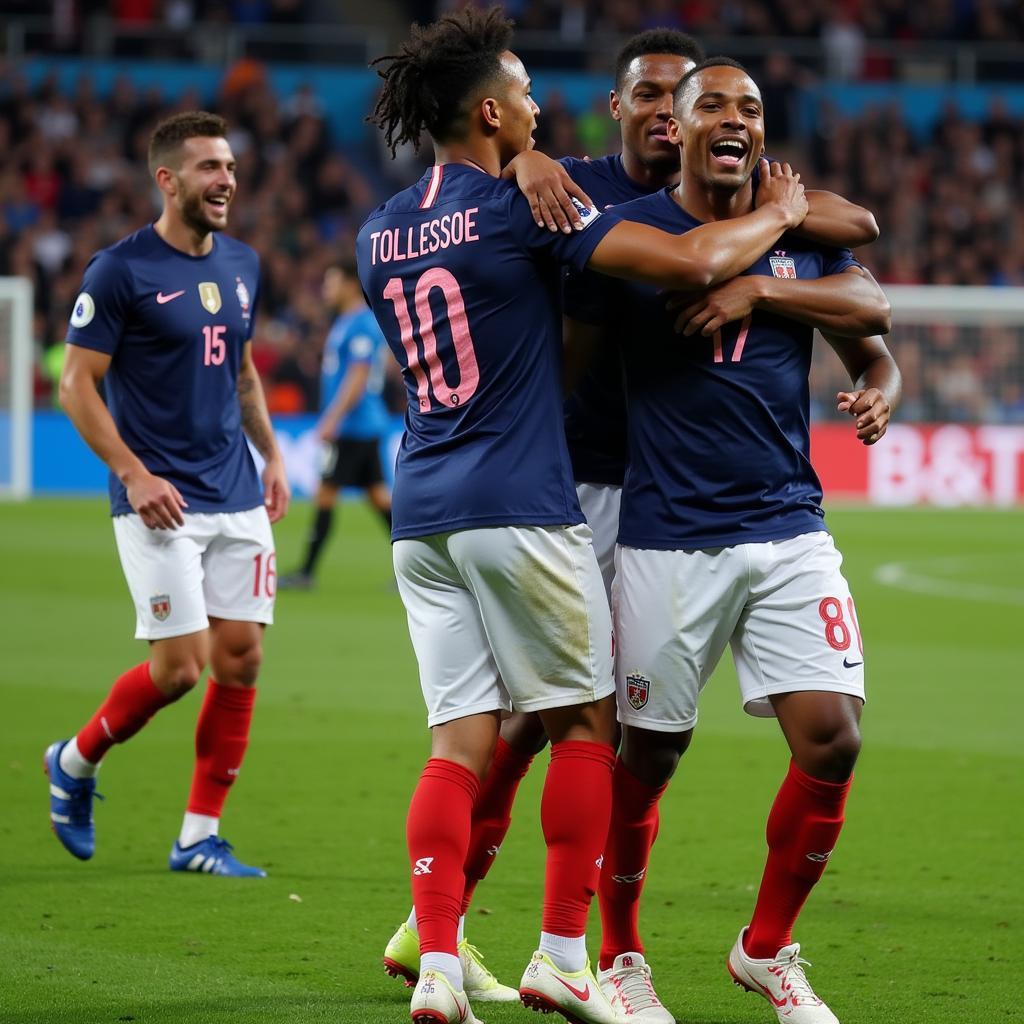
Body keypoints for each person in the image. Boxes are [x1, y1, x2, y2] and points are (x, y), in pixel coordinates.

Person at [382, 27, 881, 1021]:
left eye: (712, 101)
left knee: (510, 728)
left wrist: (862, 352)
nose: (674, 111)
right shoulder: (580, 203)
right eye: (662, 97)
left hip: (495, 496)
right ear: (629, 111)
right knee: (574, 730)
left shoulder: (401, 223)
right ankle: (571, 949)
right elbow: (662, 278)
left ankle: (448, 941)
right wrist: (526, 165)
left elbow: (856, 253)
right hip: (596, 494)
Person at [564, 58, 898, 1024]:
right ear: (675, 122)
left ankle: (766, 948)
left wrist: (770, 297)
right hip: (669, 536)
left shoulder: (801, 240)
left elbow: (873, 316)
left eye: (750, 108)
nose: (735, 120)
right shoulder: (641, 235)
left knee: (833, 738)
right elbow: (578, 355)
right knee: (649, 758)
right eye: (714, 104)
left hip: (789, 523)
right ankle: (620, 957)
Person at [45, 111, 290, 878]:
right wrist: (134, 473)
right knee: (179, 670)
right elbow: (74, 384)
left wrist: (274, 456)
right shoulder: (120, 271)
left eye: (230, 166)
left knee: (241, 658)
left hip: (237, 489)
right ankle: (75, 761)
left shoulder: (243, 263)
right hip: (160, 499)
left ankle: (197, 837)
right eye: (210, 169)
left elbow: (242, 371)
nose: (226, 181)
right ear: (168, 180)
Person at [279, 256, 392, 590]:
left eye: (330, 282)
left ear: (347, 283)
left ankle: (306, 572)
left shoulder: (360, 324)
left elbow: (358, 376)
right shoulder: (347, 322)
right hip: (362, 426)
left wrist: (331, 419)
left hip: (354, 427)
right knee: (379, 498)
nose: (325, 289)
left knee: (325, 493)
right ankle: (422, 567)